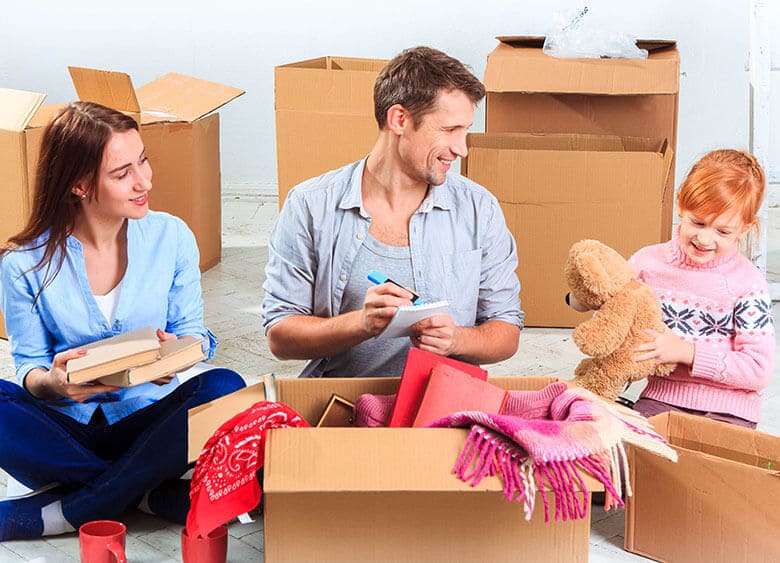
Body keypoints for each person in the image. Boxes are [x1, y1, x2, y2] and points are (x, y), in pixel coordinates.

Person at [0, 102, 246, 541]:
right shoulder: (23, 263)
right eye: (122, 173)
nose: (144, 181)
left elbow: (194, 333)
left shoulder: (171, 236)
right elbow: (29, 366)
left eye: (143, 161)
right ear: (78, 184)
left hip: (150, 424)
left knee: (224, 386)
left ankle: (73, 508)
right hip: (66, 431)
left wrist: (176, 354)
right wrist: (54, 383)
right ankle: (147, 493)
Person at [263, 46, 523, 378]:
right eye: (449, 130)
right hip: (342, 404)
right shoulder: (311, 205)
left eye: (465, 130)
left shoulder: (477, 208)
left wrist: (455, 338)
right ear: (399, 119)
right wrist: (360, 323)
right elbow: (279, 338)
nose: (462, 148)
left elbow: (507, 331)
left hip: (440, 407)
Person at [631, 149, 775, 428]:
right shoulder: (647, 263)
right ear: (680, 206)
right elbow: (616, 304)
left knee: (712, 471)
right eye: (697, 222)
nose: (705, 238)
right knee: (625, 459)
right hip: (661, 400)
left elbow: (758, 369)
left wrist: (688, 352)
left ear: (745, 228)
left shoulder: (748, 283)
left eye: (723, 231)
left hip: (731, 412)